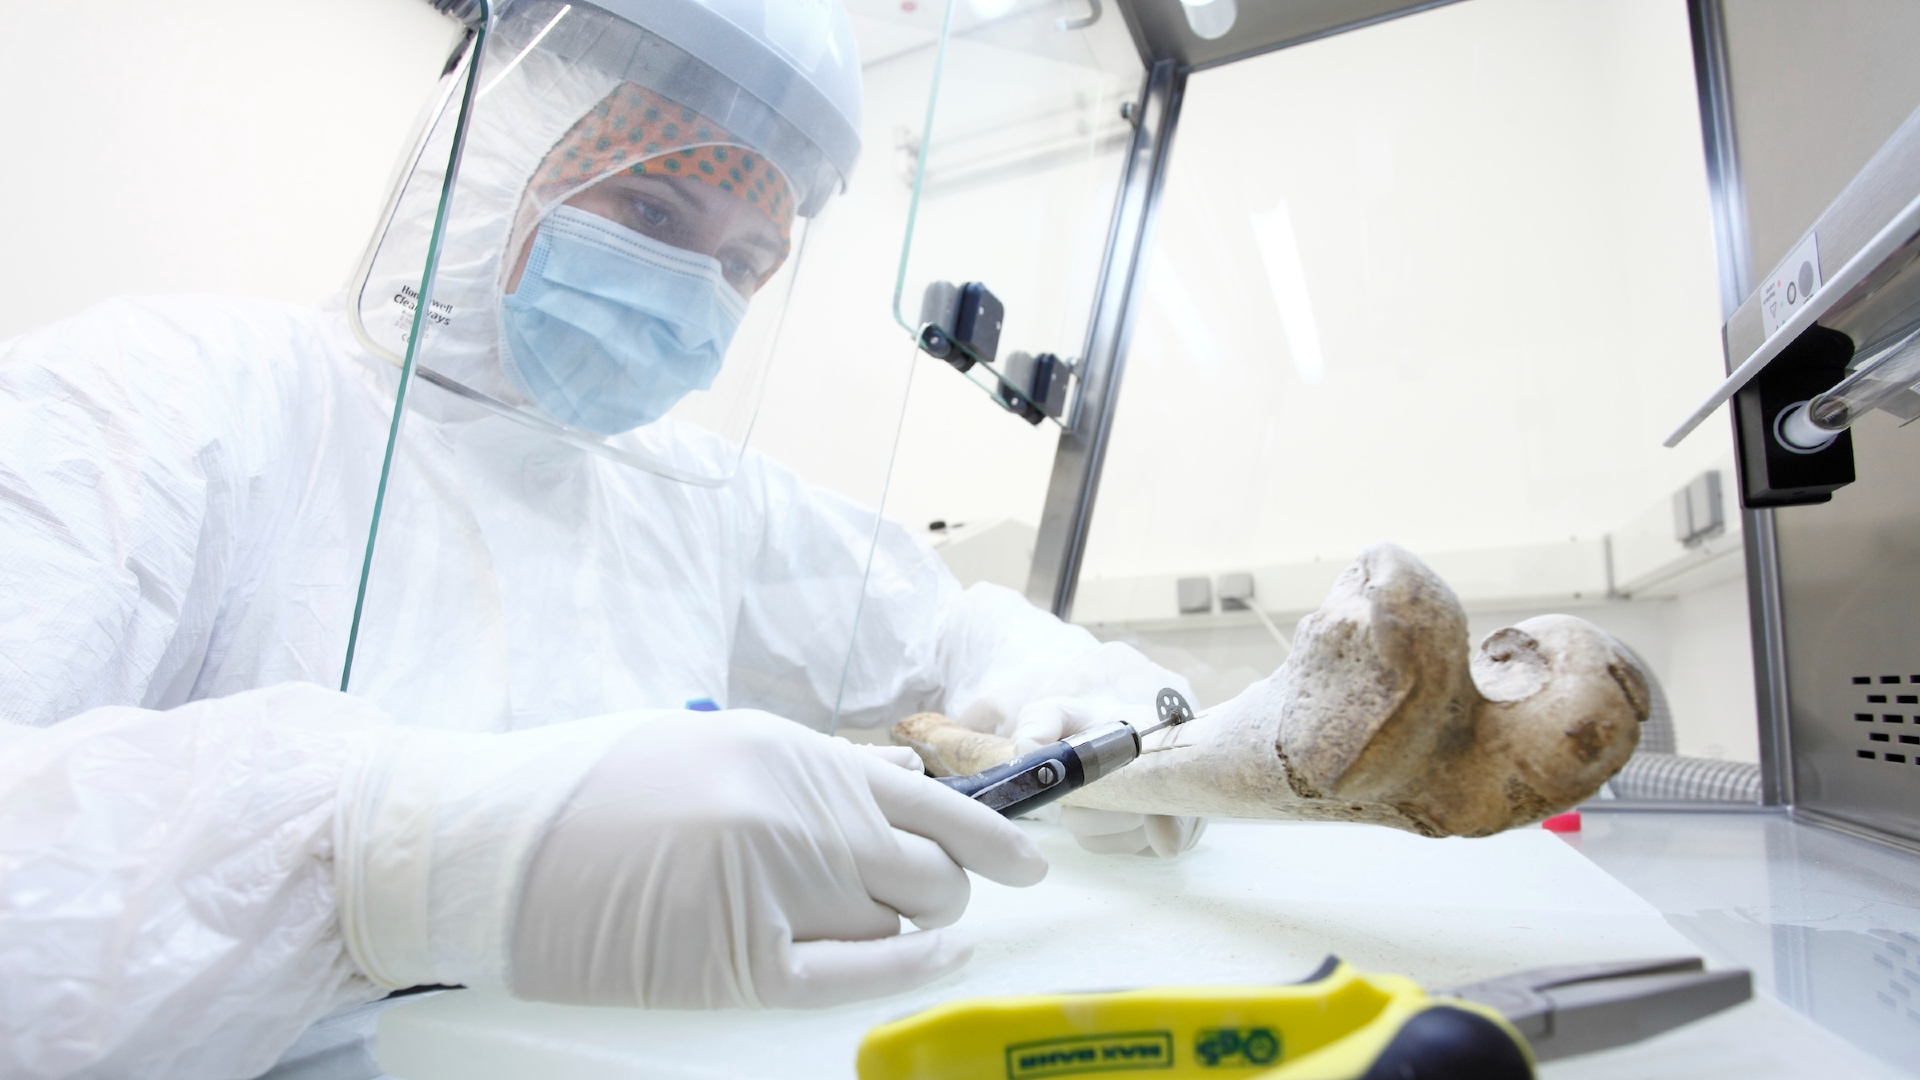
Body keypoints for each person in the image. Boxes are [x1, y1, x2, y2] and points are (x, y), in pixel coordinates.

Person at [0, 1, 1201, 1077]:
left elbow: (944, 627)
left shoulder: (693, 496)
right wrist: (379, 861)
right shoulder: (160, 400)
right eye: (648, 203)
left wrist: (1067, 689)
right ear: (494, 154)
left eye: (742, 261)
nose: (692, 287)